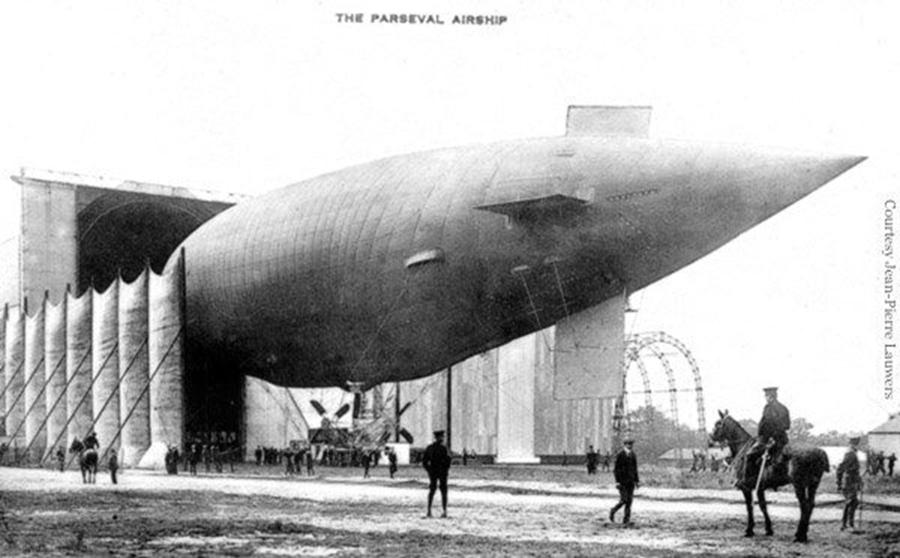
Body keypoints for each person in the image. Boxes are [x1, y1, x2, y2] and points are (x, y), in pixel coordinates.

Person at [747, 386, 791, 485]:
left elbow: (764, 425)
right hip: (783, 440)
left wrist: (767, 437)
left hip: (768, 440)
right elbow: (787, 425)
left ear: (770, 397)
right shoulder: (784, 408)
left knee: (750, 455)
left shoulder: (768, 408)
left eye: (766, 396)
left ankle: (750, 481)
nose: (766, 398)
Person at [609, 438, 639, 526]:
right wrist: (617, 481)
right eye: (628, 444)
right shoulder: (620, 455)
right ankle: (613, 510)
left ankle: (626, 520)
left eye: (631, 444)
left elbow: (635, 469)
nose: (630, 446)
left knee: (629, 501)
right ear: (625, 445)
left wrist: (637, 481)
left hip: (631, 482)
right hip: (622, 482)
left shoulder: (633, 455)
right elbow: (616, 469)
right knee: (624, 500)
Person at [422, 430, 451, 518]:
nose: (443, 438)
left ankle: (429, 511)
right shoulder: (444, 448)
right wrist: (445, 470)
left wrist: (429, 470)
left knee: (432, 490)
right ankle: (444, 511)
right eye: (442, 437)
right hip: (442, 472)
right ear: (440, 438)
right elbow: (448, 461)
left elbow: (424, 462)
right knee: (443, 491)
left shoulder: (430, 448)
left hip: (433, 472)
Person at [836, 437, 862, 531]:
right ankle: (848, 525)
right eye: (856, 444)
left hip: (852, 480)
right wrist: (839, 483)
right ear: (852, 444)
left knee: (852, 502)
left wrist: (859, 481)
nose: (857, 446)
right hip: (849, 481)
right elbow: (840, 468)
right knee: (851, 502)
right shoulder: (850, 454)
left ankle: (846, 524)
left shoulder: (852, 453)